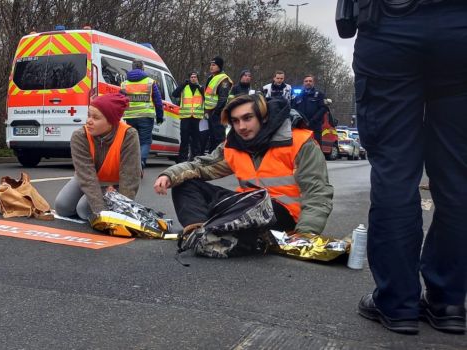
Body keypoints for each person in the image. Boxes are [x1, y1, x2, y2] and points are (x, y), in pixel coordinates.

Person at [351, 1, 466, 335]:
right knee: (459, 177)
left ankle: (397, 302)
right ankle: (449, 302)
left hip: (391, 23)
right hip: (460, 31)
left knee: (395, 172)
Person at [153, 94, 333, 238]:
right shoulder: (234, 144)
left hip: (281, 214)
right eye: (236, 121)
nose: (241, 126)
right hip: (244, 206)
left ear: (263, 117)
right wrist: (169, 175)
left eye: (247, 118)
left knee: (253, 207)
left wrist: (304, 235)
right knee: (184, 183)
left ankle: (219, 230)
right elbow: (201, 166)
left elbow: (317, 193)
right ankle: (199, 234)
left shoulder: (299, 142)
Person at [55, 93, 141, 221]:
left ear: (111, 122)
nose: (89, 121)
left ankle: (107, 197)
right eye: (89, 115)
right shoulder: (80, 136)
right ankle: (102, 197)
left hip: (116, 183)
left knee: (83, 210)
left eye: (95, 117)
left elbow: (130, 177)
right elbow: (86, 176)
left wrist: (122, 208)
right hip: (89, 178)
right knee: (62, 207)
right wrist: (100, 210)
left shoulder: (129, 135)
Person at [119, 59, 164, 168]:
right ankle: (141, 162)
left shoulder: (124, 83)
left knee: (132, 140)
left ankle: (131, 162)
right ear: (143, 68)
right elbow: (158, 101)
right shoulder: (150, 82)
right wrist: (159, 116)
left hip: (130, 117)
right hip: (146, 116)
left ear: (133, 67)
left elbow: (120, 100)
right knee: (145, 141)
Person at [171, 72, 205, 162]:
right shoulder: (184, 87)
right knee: (184, 139)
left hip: (196, 118)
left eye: (195, 77)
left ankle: (196, 159)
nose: (193, 78)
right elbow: (174, 94)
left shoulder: (201, 88)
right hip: (185, 117)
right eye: (191, 77)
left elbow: (207, 98)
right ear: (189, 78)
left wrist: (200, 88)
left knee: (196, 140)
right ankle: (182, 159)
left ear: (198, 79)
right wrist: (182, 84)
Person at [203, 56, 233, 153]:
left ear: (219, 66)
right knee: (212, 138)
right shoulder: (211, 77)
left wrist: (216, 112)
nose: (211, 67)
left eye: (214, 65)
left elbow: (223, 98)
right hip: (210, 113)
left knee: (218, 138)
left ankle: (218, 159)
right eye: (211, 65)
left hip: (217, 113)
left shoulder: (224, 79)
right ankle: (212, 158)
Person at [290, 75, 328, 143]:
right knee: (300, 149)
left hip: (314, 127)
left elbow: (323, 108)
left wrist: (313, 120)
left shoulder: (319, 95)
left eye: (310, 81)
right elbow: (293, 110)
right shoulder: (298, 96)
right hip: (300, 127)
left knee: (315, 149)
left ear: (313, 83)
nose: (308, 83)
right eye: (306, 81)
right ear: (303, 83)